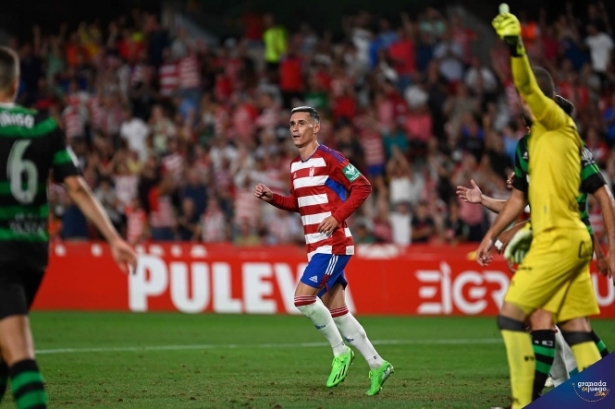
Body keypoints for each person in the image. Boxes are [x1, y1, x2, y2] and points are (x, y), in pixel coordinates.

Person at [477, 10, 606, 409]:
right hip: (556, 237)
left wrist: (516, 47)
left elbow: (602, 192)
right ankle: (600, 394)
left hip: (565, 238)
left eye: (524, 95)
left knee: (526, 317)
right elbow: (521, 199)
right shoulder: (528, 145)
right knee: (571, 325)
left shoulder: (558, 125)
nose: (520, 99)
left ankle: (526, 401)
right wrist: (491, 233)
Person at [0, 46, 137, 409]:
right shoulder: (44, 125)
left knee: (18, 351)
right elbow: (76, 186)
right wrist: (113, 238)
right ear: (15, 83)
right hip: (33, 252)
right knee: (4, 344)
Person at [457, 113, 614, 399]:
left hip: (561, 246)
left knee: (542, 319)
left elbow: (574, 206)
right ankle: (580, 385)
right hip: (566, 244)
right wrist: (488, 202)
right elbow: (522, 204)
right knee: (561, 321)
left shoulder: (560, 155)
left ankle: (559, 390)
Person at [253, 106, 393, 396]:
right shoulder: (294, 166)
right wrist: (272, 198)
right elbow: (298, 204)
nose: (295, 128)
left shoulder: (331, 158)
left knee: (303, 299)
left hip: (333, 244)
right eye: (292, 123)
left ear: (316, 128)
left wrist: (337, 216)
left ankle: (340, 351)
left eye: (302, 123)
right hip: (316, 246)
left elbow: (362, 187)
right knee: (338, 312)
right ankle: (377, 364)